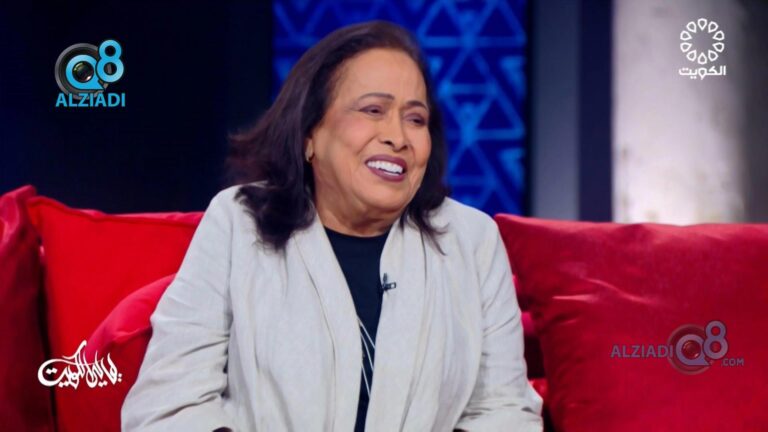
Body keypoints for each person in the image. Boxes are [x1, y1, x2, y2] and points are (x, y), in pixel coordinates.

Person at [121, 20, 542, 432]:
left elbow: (505, 412)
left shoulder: (472, 240)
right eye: (373, 110)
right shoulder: (238, 223)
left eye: (416, 119)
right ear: (310, 134)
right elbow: (167, 406)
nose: (398, 136)